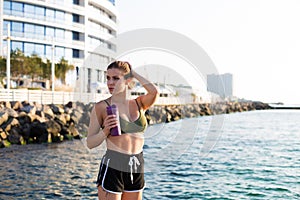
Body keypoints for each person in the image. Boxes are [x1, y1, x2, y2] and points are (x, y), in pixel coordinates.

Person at [87, 61, 158, 200]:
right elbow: (90, 143)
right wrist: (105, 131)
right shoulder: (101, 107)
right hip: (114, 164)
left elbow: (154, 91)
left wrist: (134, 73)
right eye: (108, 78)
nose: (110, 83)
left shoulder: (139, 103)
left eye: (116, 78)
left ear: (127, 80)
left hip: (136, 164)